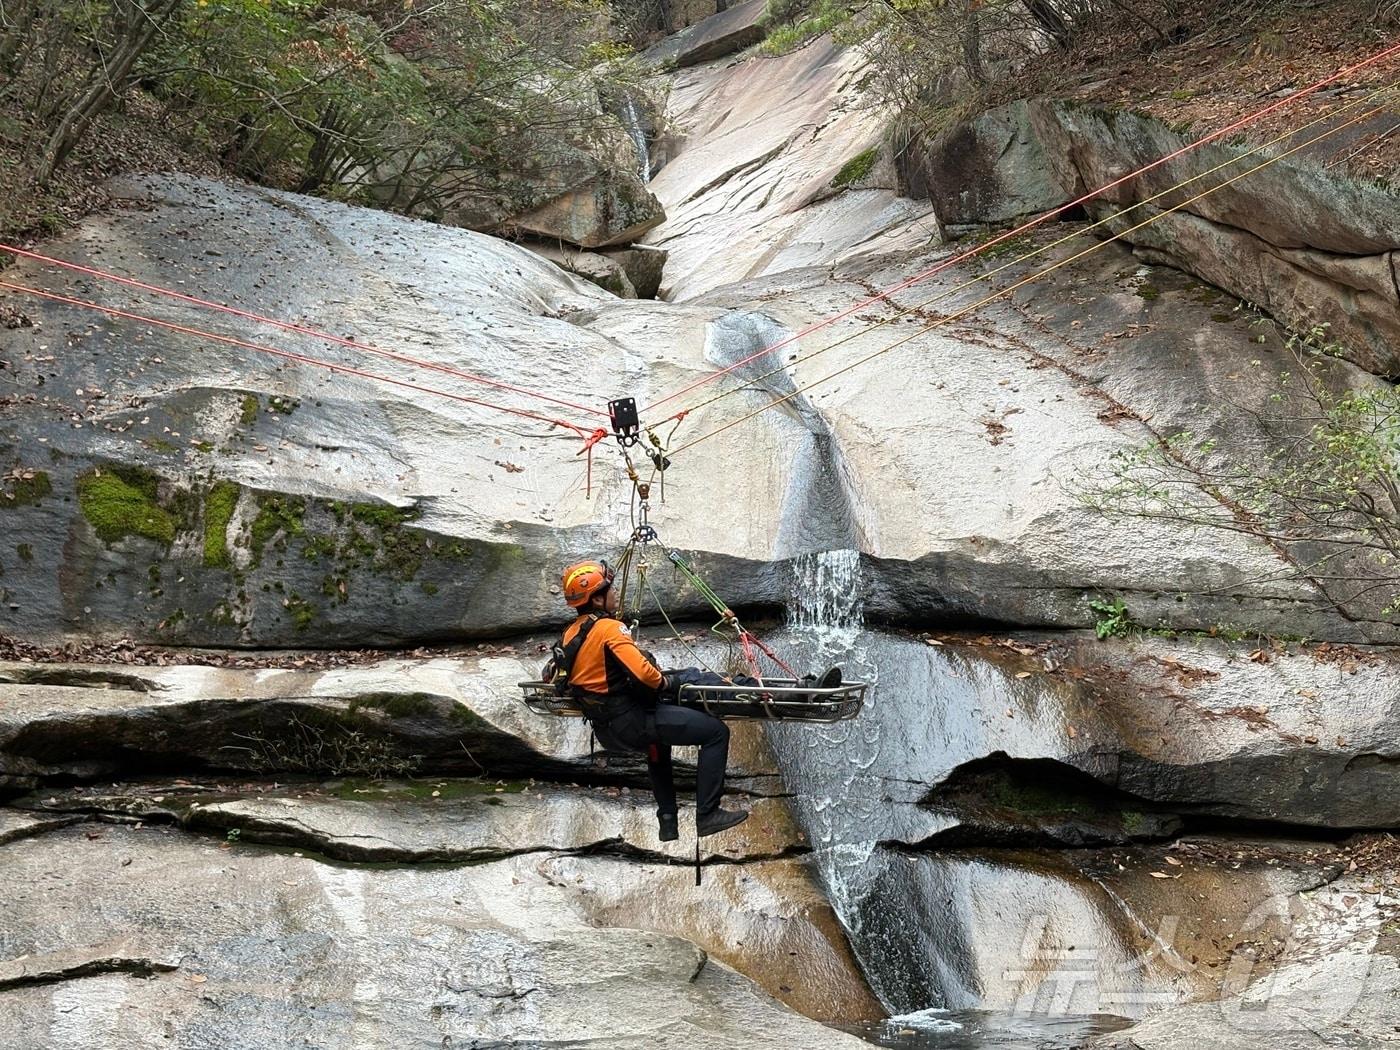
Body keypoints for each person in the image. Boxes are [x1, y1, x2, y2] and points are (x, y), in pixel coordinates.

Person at [551, 558, 839, 842]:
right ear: (598, 599)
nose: (616, 594)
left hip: (610, 729)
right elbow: (645, 674)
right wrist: (664, 681)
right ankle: (708, 814)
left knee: (660, 740)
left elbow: (557, 675)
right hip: (633, 721)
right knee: (715, 731)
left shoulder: (570, 634)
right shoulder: (609, 629)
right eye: (610, 590)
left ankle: (668, 821)